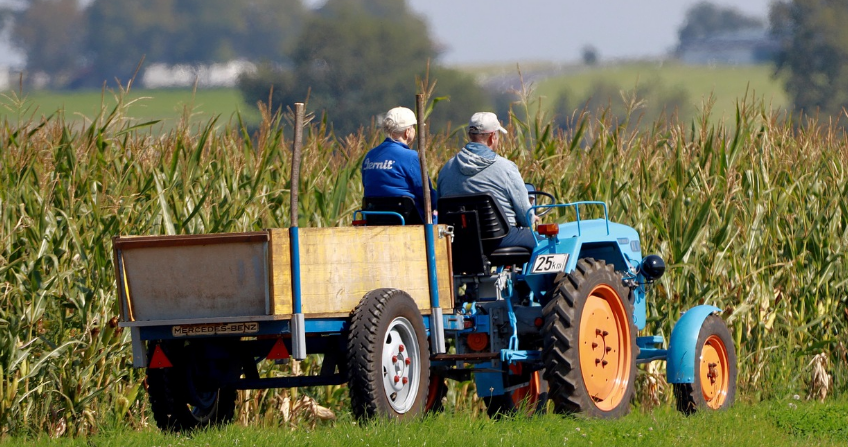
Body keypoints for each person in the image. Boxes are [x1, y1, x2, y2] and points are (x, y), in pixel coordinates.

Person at [437, 112, 537, 250]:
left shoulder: (446, 169)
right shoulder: (506, 168)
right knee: (546, 243)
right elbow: (526, 218)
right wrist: (532, 217)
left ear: (470, 135)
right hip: (500, 239)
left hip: (461, 242)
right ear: (492, 137)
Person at [361, 106, 436, 222]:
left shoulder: (370, 156)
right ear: (407, 132)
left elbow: (367, 185)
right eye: (413, 128)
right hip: (408, 221)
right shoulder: (411, 157)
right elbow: (426, 194)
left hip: (374, 220)